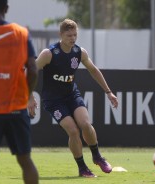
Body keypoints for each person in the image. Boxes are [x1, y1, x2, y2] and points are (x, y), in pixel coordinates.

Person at [28, 18, 118, 178]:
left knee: (86, 124)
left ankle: (97, 157)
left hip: (71, 95)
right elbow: (30, 73)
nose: (73, 38)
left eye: (75, 35)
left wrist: (108, 92)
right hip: (53, 100)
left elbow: (93, 70)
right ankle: (82, 168)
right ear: (60, 35)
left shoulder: (79, 52)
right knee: (73, 131)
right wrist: (29, 97)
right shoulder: (49, 54)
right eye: (69, 35)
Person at [0, 0, 39, 183]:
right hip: (17, 108)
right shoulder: (22, 33)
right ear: (6, 9)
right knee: (25, 160)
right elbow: (32, 69)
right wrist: (26, 95)